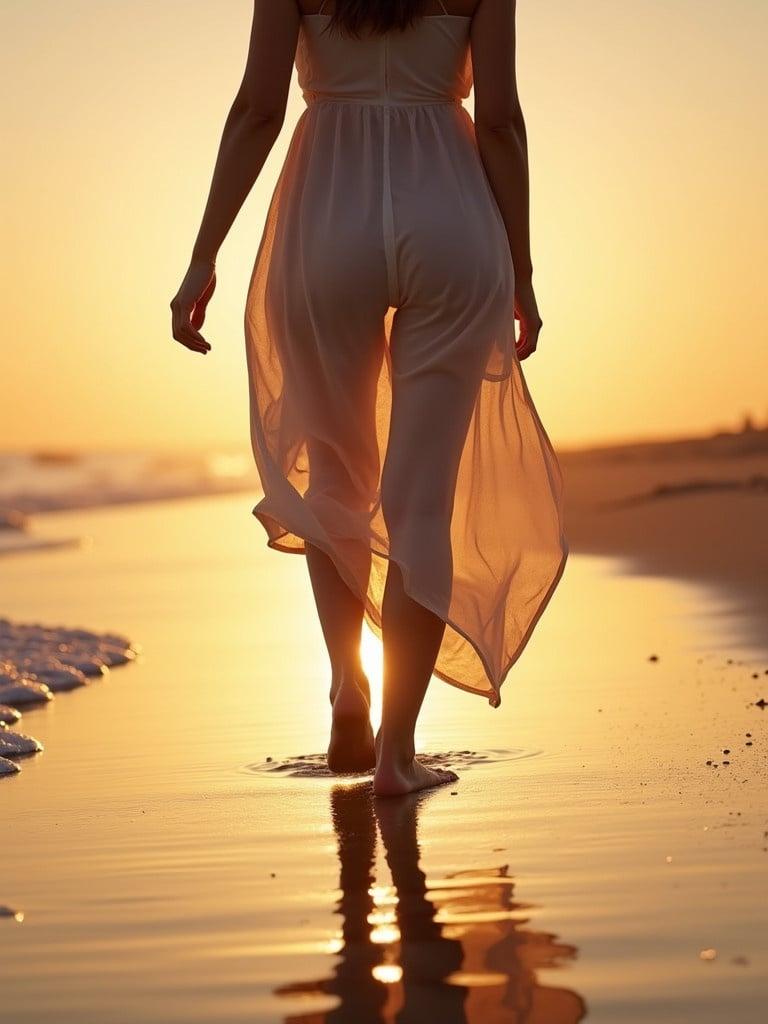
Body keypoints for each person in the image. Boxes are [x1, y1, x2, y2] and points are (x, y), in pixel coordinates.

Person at [170, 1, 567, 797]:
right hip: (451, 218)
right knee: (421, 503)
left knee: (336, 476)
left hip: (324, 217)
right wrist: (520, 266)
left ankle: (348, 692)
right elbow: (501, 123)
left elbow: (257, 110)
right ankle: (398, 753)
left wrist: (202, 255)